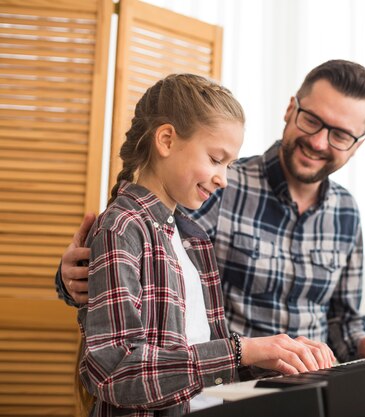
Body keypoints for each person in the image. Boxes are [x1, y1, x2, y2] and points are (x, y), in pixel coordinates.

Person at [58, 60, 365, 364]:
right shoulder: (210, 186)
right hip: (227, 387)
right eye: (312, 120)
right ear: (290, 109)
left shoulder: (346, 213)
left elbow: (344, 319)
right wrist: (70, 279)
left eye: (340, 135)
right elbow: (138, 259)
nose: (318, 142)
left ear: (357, 145)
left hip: (310, 387)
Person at [74, 74, 334, 417]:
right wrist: (243, 350)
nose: (224, 178)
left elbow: (199, 364)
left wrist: (278, 358)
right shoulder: (122, 228)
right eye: (216, 159)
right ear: (166, 140)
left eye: (228, 164)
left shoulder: (191, 238)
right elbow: (116, 373)